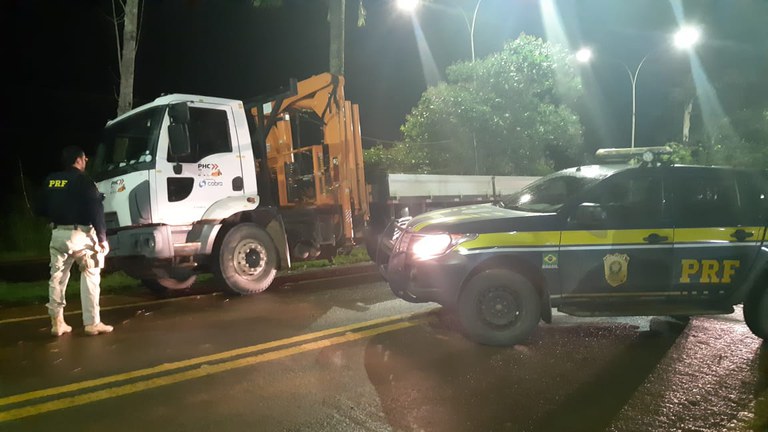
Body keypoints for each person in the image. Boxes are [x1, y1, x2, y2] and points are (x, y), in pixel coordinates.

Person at [36, 145, 113, 336]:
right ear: (79, 160)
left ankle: (57, 323)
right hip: (80, 236)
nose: (86, 161)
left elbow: (39, 208)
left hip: (57, 234)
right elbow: (96, 210)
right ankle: (92, 322)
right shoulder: (84, 181)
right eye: (85, 158)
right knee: (90, 273)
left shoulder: (51, 180)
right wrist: (102, 238)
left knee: (57, 278)